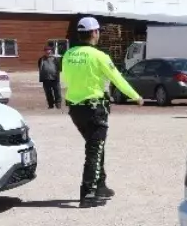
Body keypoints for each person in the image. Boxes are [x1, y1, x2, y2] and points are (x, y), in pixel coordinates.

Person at [60, 17, 143, 207]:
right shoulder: (100, 56)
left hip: (75, 108)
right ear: (95, 33)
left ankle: (101, 185)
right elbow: (117, 79)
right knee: (94, 150)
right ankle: (88, 193)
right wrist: (136, 96)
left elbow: (65, 77)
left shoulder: (68, 54)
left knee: (96, 147)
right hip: (94, 108)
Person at [38, 45, 62, 110]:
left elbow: (59, 68)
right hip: (46, 79)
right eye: (46, 50)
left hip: (55, 78)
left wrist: (57, 76)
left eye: (48, 50)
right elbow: (40, 68)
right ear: (44, 51)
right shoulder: (41, 59)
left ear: (51, 51)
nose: (47, 51)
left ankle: (58, 104)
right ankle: (50, 105)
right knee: (48, 93)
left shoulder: (55, 59)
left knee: (57, 92)